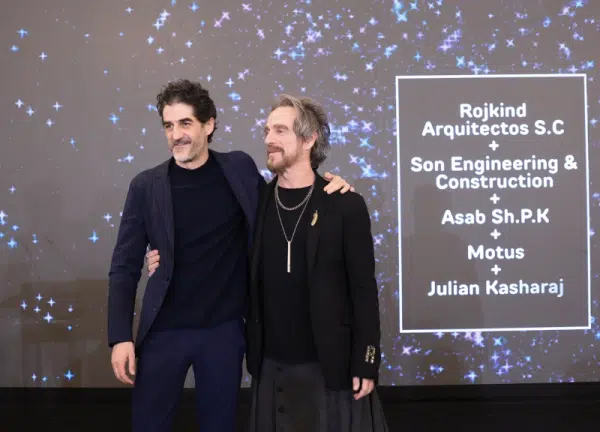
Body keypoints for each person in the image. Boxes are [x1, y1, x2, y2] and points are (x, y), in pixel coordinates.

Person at [107, 79, 352, 432]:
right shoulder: (146, 186)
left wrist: (331, 189)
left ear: (209, 124)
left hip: (223, 333)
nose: (176, 134)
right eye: (169, 125)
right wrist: (120, 337)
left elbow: (284, 205)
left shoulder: (239, 169)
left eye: (185, 123)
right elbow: (124, 267)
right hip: (163, 332)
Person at [149, 94, 389, 431]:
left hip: (331, 367)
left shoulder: (344, 205)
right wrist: (162, 259)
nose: (268, 139)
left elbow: (364, 290)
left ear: (309, 138)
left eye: (280, 130)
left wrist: (367, 360)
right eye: (266, 131)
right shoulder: (255, 200)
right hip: (270, 369)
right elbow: (210, 246)